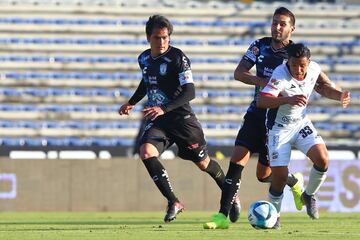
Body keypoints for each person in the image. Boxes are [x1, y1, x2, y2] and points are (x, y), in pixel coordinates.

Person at [204, 7, 341, 230]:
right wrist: (263, 83)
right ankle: (221, 216)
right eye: (274, 22)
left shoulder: (296, 56)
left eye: (282, 24)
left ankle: (294, 183)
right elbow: (239, 73)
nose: (277, 27)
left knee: (264, 175)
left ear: (291, 28)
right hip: (256, 113)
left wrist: (338, 93)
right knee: (237, 160)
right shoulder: (260, 46)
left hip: (277, 121)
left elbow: (321, 81)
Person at [118, 15, 240, 223]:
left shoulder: (178, 58)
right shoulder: (144, 59)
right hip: (160, 121)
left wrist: (164, 108)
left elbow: (190, 91)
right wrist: (132, 102)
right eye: (158, 38)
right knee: (146, 152)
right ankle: (174, 201)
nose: (163, 42)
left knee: (203, 163)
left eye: (166, 37)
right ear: (149, 38)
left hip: (182, 120)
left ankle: (232, 195)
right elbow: (146, 82)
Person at [257, 43, 350, 228]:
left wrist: (339, 95)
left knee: (323, 159)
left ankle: (308, 195)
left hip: (300, 124)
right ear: (288, 62)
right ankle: (275, 217)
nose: (298, 69)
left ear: (309, 63)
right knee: (280, 177)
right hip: (279, 129)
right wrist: (287, 99)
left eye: (302, 65)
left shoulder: (314, 68)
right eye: (294, 65)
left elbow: (323, 87)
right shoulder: (280, 75)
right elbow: (262, 101)